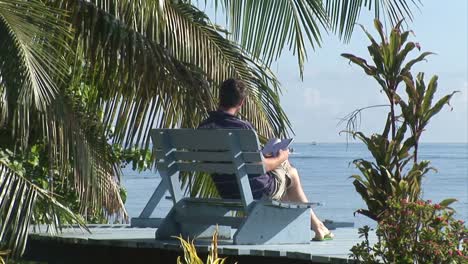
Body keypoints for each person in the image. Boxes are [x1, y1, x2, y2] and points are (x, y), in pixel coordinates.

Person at [198, 78, 334, 241]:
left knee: (283, 171)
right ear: (242, 102)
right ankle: (317, 226)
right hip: (256, 191)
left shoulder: (204, 127)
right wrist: (281, 157)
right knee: (291, 172)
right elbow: (260, 166)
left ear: (220, 97)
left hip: (227, 191)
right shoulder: (242, 129)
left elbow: (249, 162)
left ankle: (315, 226)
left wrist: (264, 156)